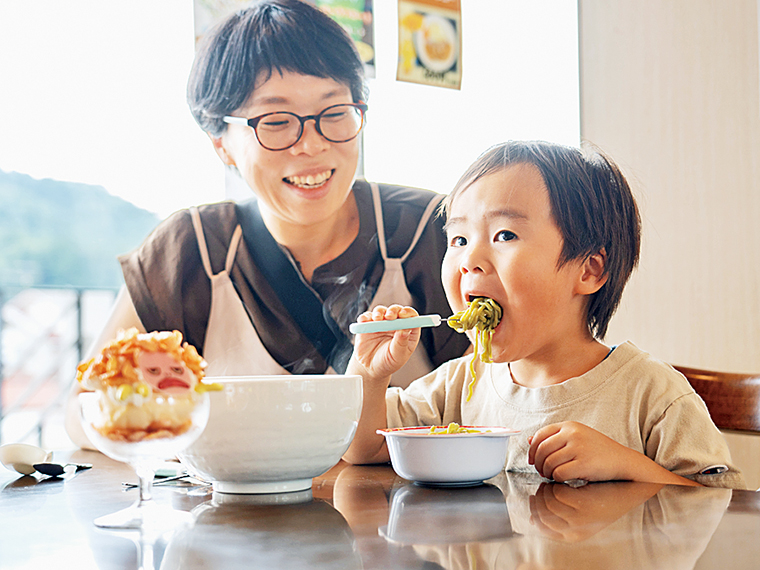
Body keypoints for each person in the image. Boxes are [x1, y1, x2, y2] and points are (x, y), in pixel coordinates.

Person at [65, 0, 468, 448]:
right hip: (237, 516)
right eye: (276, 122)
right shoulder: (192, 250)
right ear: (221, 143)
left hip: (409, 515)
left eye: (334, 113)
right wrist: (164, 425)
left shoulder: (431, 232)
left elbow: (504, 386)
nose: (311, 145)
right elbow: (85, 407)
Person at [342, 140, 745, 489]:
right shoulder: (459, 385)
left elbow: (724, 504)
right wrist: (369, 375)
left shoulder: (653, 395)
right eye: (459, 239)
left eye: (504, 235)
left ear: (589, 269)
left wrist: (628, 466)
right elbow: (363, 448)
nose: (470, 261)